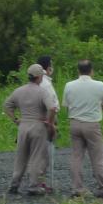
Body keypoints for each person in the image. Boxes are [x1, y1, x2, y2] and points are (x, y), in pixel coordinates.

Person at [63, 59, 103, 198]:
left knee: (76, 156)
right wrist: (97, 110)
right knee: (96, 157)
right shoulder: (100, 85)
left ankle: (77, 188)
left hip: (74, 123)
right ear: (91, 71)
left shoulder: (69, 85)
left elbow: (66, 105)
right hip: (92, 124)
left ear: (78, 71)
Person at [5, 64, 57, 196]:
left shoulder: (19, 91)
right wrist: (49, 122)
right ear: (39, 77)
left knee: (21, 156)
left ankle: (14, 184)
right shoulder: (42, 91)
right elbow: (51, 108)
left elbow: (7, 106)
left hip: (23, 126)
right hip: (38, 125)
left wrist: (16, 119)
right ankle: (34, 186)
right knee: (36, 157)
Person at [36, 56, 60, 191]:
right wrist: (51, 124)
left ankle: (39, 182)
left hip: (40, 119)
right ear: (48, 67)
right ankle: (40, 183)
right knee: (45, 154)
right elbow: (51, 106)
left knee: (40, 153)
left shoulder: (40, 81)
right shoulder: (45, 83)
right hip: (46, 120)